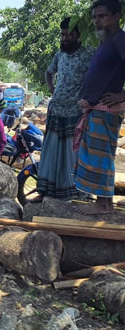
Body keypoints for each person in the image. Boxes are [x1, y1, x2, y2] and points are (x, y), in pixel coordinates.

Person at [74, 0, 125, 214]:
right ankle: (101, 201)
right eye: (95, 16)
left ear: (116, 16)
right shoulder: (106, 41)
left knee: (101, 155)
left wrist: (123, 94)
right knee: (94, 155)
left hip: (107, 110)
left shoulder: (121, 39)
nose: (96, 20)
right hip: (96, 109)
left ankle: (104, 204)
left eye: (102, 16)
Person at [35, 17, 93, 201]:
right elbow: (49, 72)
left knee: (71, 154)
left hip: (75, 113)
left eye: (68, 34)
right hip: (56, 110)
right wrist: (52, 89)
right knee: (50, 152)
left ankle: (72, 194)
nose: (64, 38)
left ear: (78, 35)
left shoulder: (89, 55)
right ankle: (45, 193)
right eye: (62, 34)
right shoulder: (59, 55)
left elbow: (98, 78)